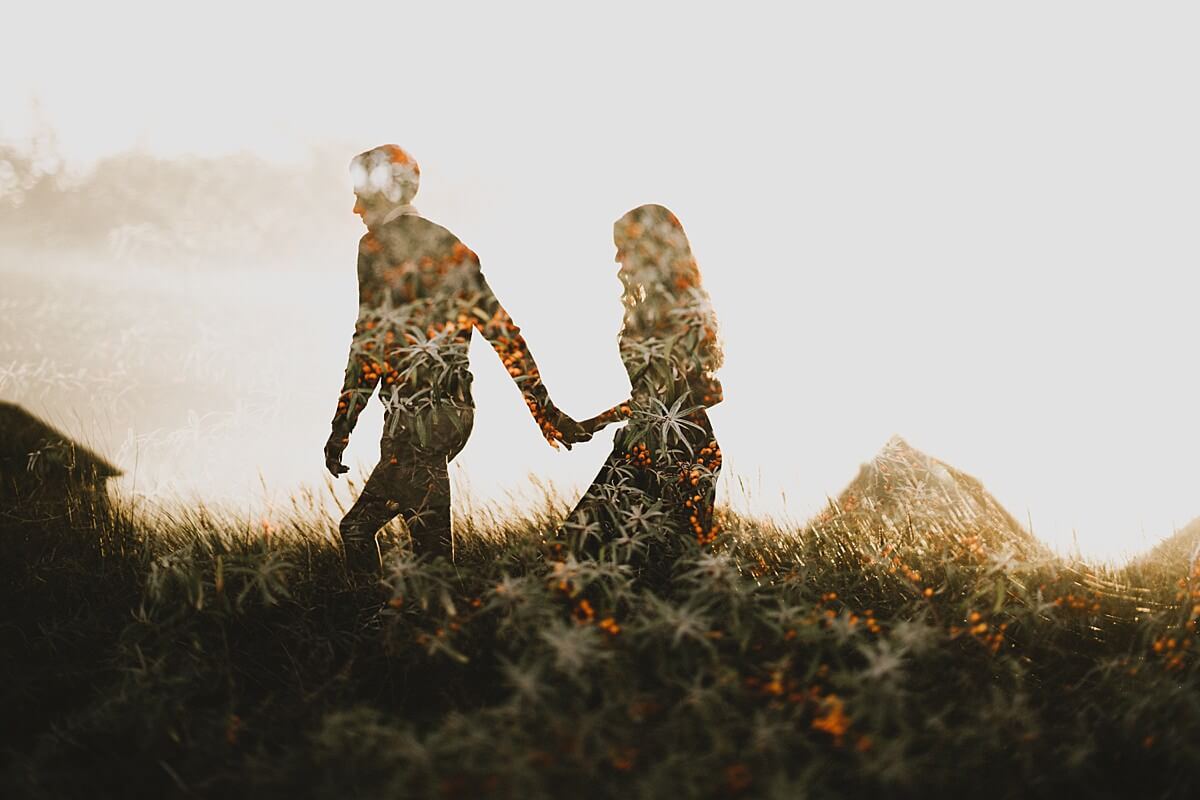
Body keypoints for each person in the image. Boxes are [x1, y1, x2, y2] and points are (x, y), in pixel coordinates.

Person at [325, 144, 589, 576]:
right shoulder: (457, 249)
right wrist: (545, 410)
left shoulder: (375, 247)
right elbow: (503, 333)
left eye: (362, 195)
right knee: (397, 539)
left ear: (386, 193)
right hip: (455, 416)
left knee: (386, 542)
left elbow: (367, 343)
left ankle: (380, 629)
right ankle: (412, 624)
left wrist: (343, 424)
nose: (355, 208)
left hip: (414, 422)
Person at [560, 204, 723, 568]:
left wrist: (594, 423)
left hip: (674, 452)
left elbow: (659, 398)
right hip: (662, 447)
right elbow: (695, 391)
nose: (617, 257)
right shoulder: (674, 305)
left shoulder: (669, 309)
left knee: (593, 559)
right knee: (608, 564)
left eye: (625, 246)